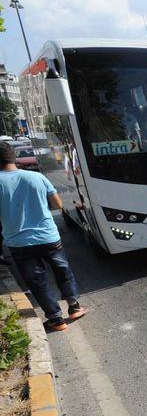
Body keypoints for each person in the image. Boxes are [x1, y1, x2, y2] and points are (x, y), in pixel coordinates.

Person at [0, 142, 87, 331]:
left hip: (19, 242)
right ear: (13, 157)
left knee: (37, 281)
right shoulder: (36, 177)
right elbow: (57, 205)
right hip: (48, 236)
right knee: (62, 271)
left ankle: (56, 320)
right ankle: (74, 307)